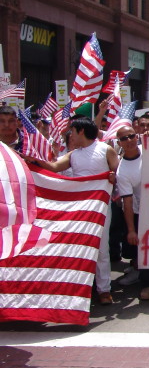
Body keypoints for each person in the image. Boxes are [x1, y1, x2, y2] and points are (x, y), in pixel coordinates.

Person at [27, 116, 119, 305]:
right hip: (80, 208)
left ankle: (104, 289)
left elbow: (119, 173)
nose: (70, 136)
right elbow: (54, 168)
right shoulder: (73, 155)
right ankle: (80, 287)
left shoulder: (106, 150)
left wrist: (113, 177)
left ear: (81, 131)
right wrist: (34, 162)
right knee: (78, 246)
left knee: (101, 248)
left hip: (101, 207)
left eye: (72, 131)